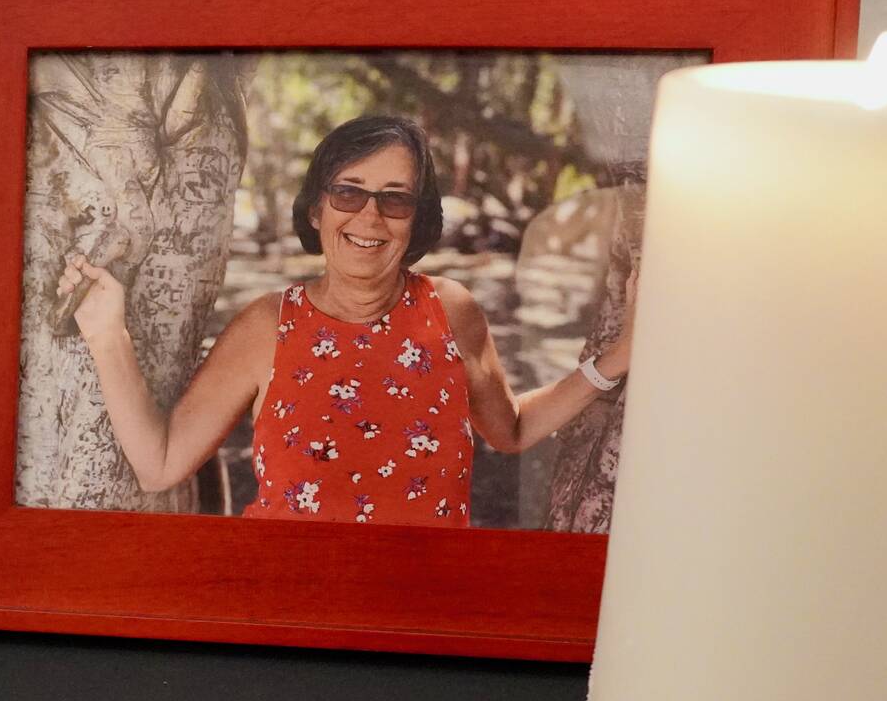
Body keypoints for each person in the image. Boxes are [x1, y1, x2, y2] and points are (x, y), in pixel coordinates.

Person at [58, 115, 633, 526]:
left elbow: (510, 428)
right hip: (292, 612)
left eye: (395, 198)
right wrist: (108, 333)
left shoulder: (452, 310)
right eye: (348, 192)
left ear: (418, 220)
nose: (370, 216)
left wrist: (623, 351)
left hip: (429, 606)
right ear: (316, 208)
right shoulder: (267, 326)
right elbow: (159, 465)